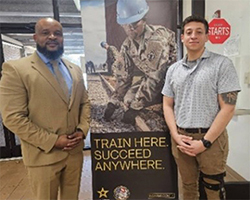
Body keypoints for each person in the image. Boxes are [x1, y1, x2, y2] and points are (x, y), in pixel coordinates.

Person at [0, 18, 90, 200]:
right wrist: (53, 141)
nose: (52, 37)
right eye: (45, 33)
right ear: (35, 37)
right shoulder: (17, 69)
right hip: (43, 155)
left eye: (57, 33)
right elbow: (13, 118)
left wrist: (82, 130)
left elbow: (84, 103)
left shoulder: (74, 69)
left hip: (74, 154)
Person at [162, 15, 241, 200]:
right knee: (188, 188)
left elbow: (228, 108)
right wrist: (175, 135)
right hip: (181, 138)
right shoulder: (173, 70)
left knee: (213, 187)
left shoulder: (222, 64)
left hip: (211, 139)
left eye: (199, 32)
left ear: (207, 36)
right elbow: (167, 104)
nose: (193, 36)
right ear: (182, 38)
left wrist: (205, 142)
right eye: (188, 32)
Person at [102, 0, 177, 125]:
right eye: (127, 24)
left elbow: (156, 78)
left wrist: (135, 107)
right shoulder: (127, 45)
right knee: (127, 99)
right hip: (153, 78)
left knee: (135, 103)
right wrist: (114, 101)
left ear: (144, 19)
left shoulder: (157, 39)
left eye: (135, 24)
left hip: (170, 81)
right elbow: (124, 76)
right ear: (122, 25)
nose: (131, 29)